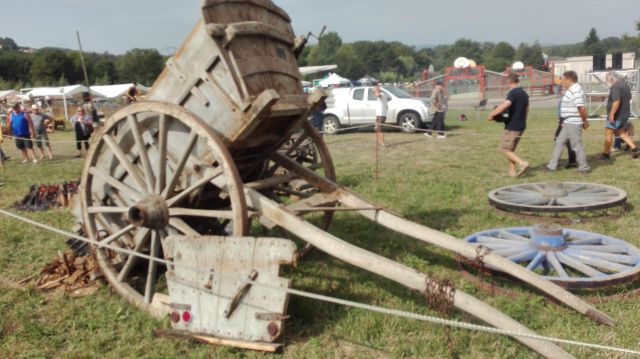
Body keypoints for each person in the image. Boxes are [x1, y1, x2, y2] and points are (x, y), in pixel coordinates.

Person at [545, 71, 590, 173]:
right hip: (567, 122)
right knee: (559, 142)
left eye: (563, 79)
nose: (561, 82)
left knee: (576, 145)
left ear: (569, 79)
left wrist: (585, 121)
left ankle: (584, 168)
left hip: (573, 122)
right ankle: (552, 166)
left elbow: (581, 108)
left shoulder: (575, 90)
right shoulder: (571, 89)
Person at [488, 73, 530, 177]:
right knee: (510, 150)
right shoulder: (524, 93)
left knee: (504, 149)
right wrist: (523, 121)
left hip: (512, 126)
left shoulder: (513, 92)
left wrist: (492, 114)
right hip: (520, 125)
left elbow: (505, 105)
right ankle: (512, 172)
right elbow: (526, 110)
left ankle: (522, 163)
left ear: (509, 82)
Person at [600, 71, 640, 160]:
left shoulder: (615, 86)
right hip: (624, 114)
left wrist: (612, 114)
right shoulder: (625, 85)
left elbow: (616, 101)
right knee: (620, 132)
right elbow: (629, 98)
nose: (606, 82)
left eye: (607, 80)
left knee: (608, 132)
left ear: (611, 78)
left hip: (617, 115)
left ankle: (605, 154)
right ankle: (634, 149)